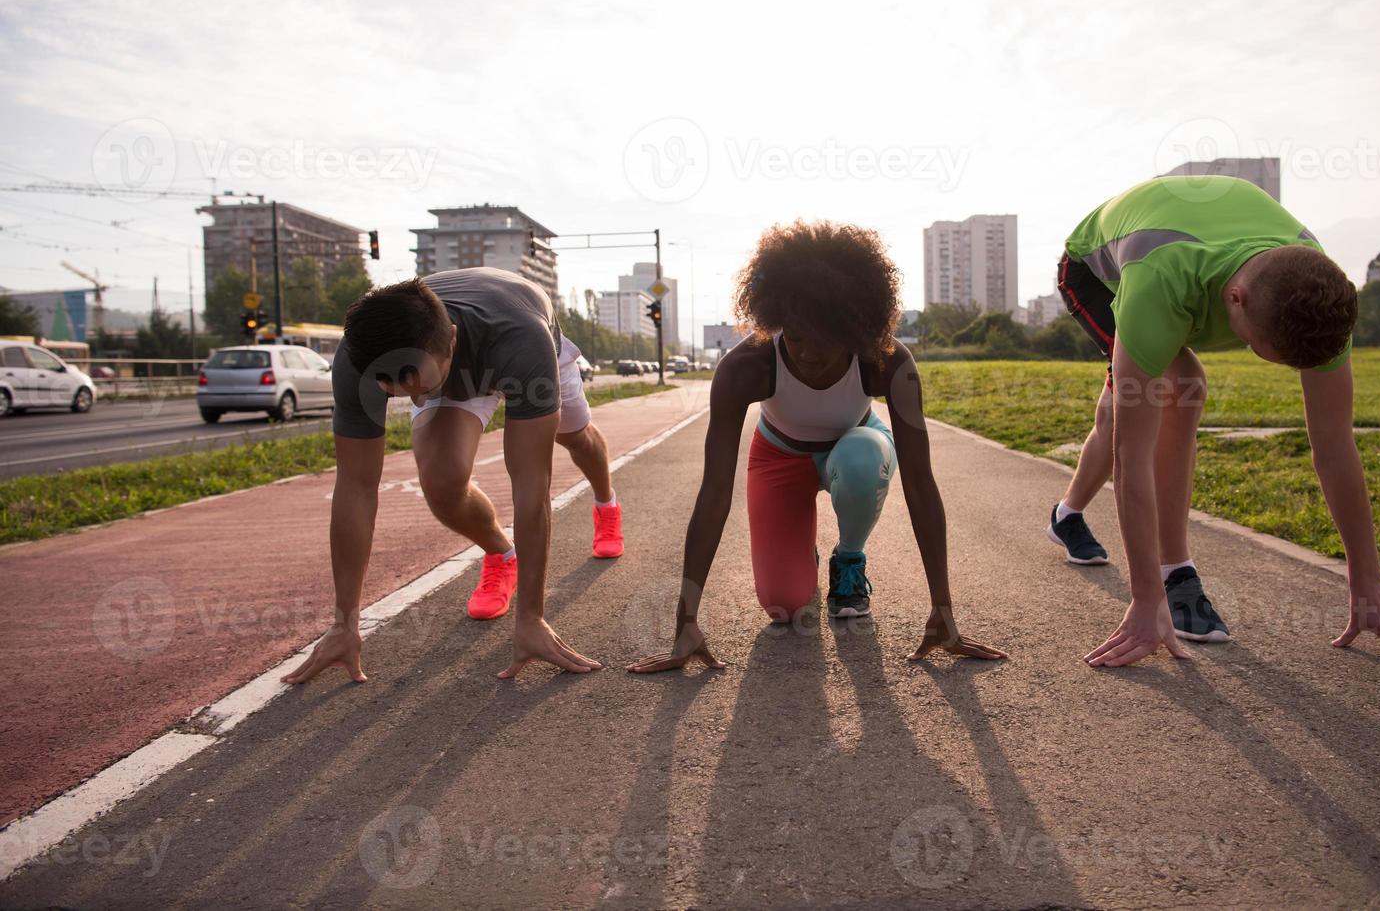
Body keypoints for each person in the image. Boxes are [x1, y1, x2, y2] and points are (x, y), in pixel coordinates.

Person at [1047, 174, 1380, 667]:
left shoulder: (1316, 290)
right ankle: (1174, 573)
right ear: (1235, 300)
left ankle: (1067, 515)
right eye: (1268, 353)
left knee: (1133, 408)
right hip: (1094, 268)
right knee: (1181, 386)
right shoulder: (1161, 278)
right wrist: (1143, 599)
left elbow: (1334, 444)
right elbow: (1132, 457)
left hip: (1197, 251)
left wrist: (1368, 583)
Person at [628, 220, 1006, 673]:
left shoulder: (887, 362)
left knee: (861, 460)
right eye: (797, 336)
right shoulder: (745, 367)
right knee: (785, 607)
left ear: (856, 329)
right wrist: (685, 621)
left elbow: (922, 486)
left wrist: (943, 610)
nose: (807, 353)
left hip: (856, 446)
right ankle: (796, 548)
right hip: (779, 457)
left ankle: (848, 560)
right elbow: (713, 495)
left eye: (825, 341)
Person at [284, 267, 622, 684]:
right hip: (445, 356)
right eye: (391, 387)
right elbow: (355, 489)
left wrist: (531, 617)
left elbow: (531, 489)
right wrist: (343, 621)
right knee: (441, 483)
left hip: (515, 343)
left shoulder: (522, 341)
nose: (410, 399)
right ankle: (501, 554)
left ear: (453, 342)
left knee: (576, 439)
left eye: (415, 386)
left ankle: (606, 504)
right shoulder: (359, 359)